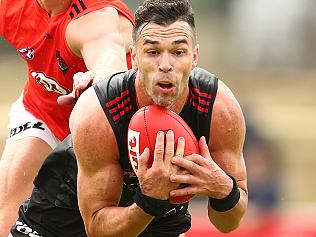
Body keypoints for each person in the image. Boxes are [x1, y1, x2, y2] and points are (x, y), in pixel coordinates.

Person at [10, 0, 248, 236]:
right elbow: (97, 230)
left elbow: (227, 224)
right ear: (134, 57)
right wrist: (149, 200)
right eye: (153, 52)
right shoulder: (98, 112)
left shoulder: (218, 109)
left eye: (178, 52)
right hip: (64, 206)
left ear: (194, 57)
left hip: (161, 217)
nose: (165, 65)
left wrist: (224, 190)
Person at [0, 0, 134, 235]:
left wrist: (101, 79)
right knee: (6, 220)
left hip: (108, 128)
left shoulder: (93, 17)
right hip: (41, 112)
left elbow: (109, 61)